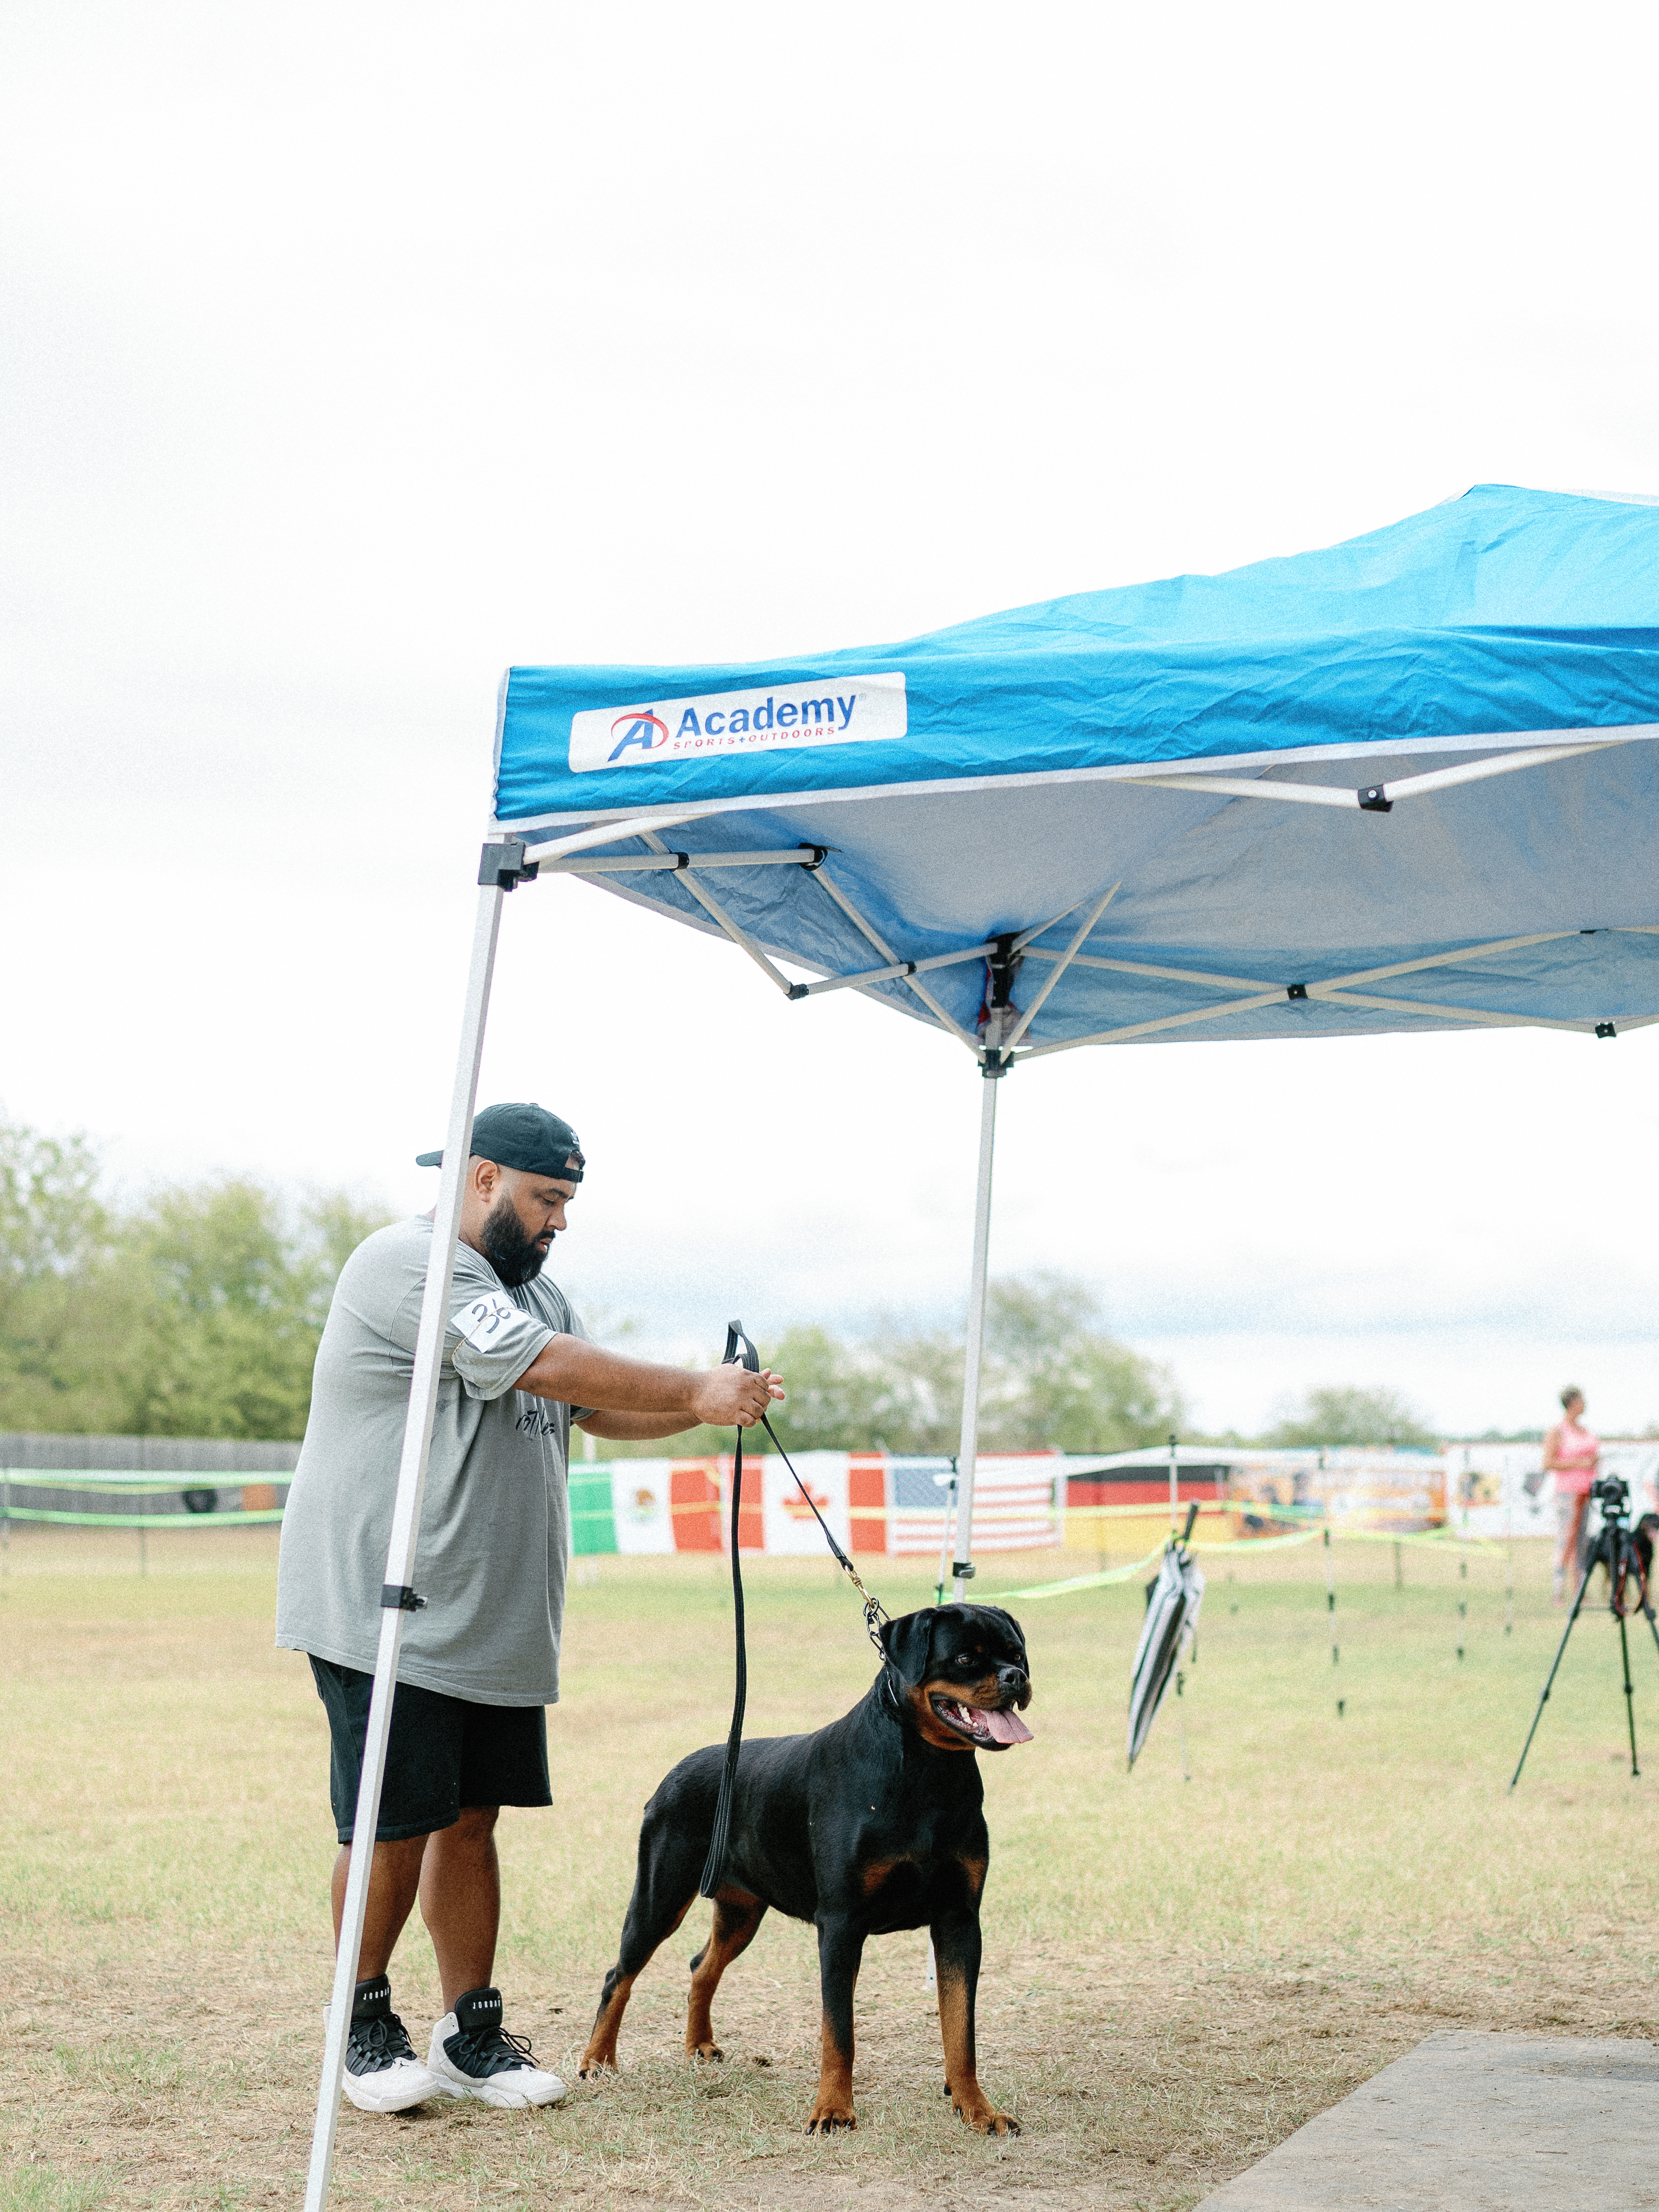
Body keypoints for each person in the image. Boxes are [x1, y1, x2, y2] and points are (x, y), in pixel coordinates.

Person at [275, 1102, 783, 2115]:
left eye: (568, 1201)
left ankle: (470, 2033)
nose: (559, 1219)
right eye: (547, 1196)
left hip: (492, 1621)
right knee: (391, 1824)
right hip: (390, 1609)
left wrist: (705, 1402)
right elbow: (539, 1365)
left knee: (471, 1822)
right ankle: (360, 2023)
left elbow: (589, 1406)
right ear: (480, 1179)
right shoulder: (406, 1264)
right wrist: (692, 1382)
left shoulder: (537, 1290)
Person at [1543, 1385, 1600, 1605]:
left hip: (1587, 1492)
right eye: (1581, 1400)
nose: (1585, 1404)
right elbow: (1548, 1462)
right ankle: (1558, 1591)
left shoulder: (1585, 1431)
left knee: (1582, 1542)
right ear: (1572, 1403)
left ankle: (1580, 1589)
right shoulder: (1557, 1432)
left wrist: (1593, 1462)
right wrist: (1579, 1463)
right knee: (1566, 1540)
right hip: (1568, 1494)